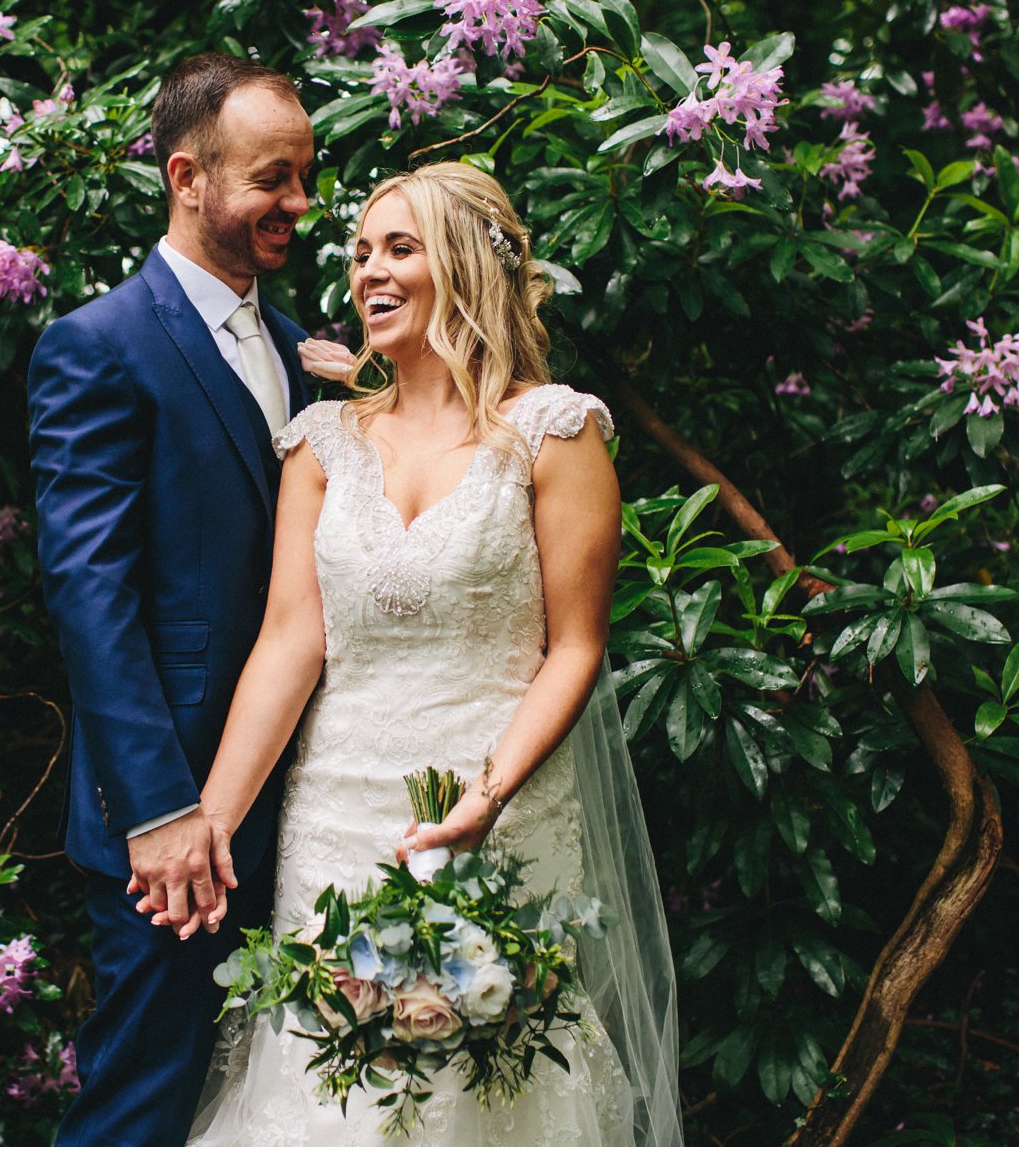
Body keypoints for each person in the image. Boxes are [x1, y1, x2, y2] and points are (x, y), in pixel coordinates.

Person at [175, 162, 684, 1145]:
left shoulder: (553, 433)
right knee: (332, 1089)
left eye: (399, 248)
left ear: (463, 266)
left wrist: (482, 803)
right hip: (336, 818)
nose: (369, 271)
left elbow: (574, 648)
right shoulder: (321, 441)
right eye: (361, 252)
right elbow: (291, 639)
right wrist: (215, 820)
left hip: (497, 808)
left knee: (482, 1094)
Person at [28, 52, 339, 1146]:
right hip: (178, 832)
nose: (298, 205)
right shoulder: (97, 348)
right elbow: (89, 595)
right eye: (271, 179)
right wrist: (159, 815)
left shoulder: (311, 348)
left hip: (318, 807)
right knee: (142, 1109)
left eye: (304, 177)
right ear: (186, 176)